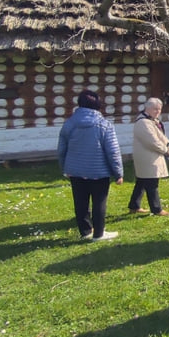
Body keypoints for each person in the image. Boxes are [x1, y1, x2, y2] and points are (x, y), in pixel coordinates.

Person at [57, 90, 124, 241]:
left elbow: (62, 149)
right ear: (98, 105)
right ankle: (99, 234)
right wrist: (118, 173)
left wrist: (64, 168)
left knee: (80, 202)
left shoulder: (70, 123)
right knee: (99, 202)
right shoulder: (105, 125)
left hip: (75, 170)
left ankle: (86, 231)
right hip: (98, 171)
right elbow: (113, 151)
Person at [128, 97, 169, 216]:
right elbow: (152, 141)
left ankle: (134, 206)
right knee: (152, 183)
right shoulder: (143, 123)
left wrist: (168, 143)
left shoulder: (152, 120)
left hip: (149, 156)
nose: (158, 111)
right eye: (155, 109)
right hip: (147, 158)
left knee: (142, 182)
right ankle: (157, 209)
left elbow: (161, 135)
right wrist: (165, 150)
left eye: (159, 109)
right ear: (147, 108)